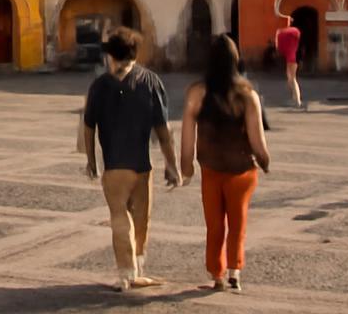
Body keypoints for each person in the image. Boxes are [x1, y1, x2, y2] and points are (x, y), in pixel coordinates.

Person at [81, 27, 182, 293]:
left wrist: (92, 161)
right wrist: (172, 165)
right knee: (141, 219)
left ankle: (125, 275)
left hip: (114, 166)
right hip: (142, 166)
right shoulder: (150, 81)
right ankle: (138, 267)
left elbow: (89, 126)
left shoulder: (100, 85)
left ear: (110, 56)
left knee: (119, 218)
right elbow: (163, 129)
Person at [178, 34, 271, 293]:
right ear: (235, 60)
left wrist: (185, 166)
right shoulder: (247, 95)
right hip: (242, 169)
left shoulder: (196, 92)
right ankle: (235, 271)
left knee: (215, 225)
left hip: (211, 167)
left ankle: (217, 275)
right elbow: (257, 138)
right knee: (238, 222)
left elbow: (187, 135)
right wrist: (264, 161)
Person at [274, 15, 303, 109]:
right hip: (292, 58)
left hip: (291, 59)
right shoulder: (295, 35)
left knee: (292, 79)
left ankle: (297, 100)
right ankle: (294, 98)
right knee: (290, 78)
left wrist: (280, 32)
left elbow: (279, 47)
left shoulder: (288, 33)